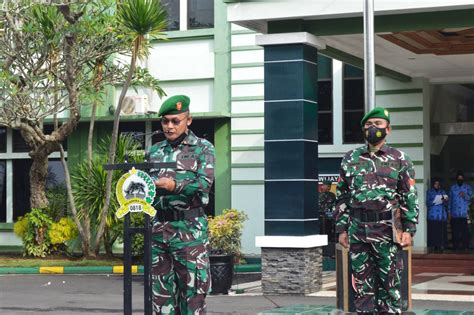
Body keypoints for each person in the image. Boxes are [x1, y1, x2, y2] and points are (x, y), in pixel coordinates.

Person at [335, 107, 419, 314]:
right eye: (368, 124)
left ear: (388, 129)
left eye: (378, 124)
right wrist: (342, 229)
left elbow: (408, 195)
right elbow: (342, 196)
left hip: (388, 231)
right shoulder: (350, 158)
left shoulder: (400, 159)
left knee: (390, 285)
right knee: (362, 288)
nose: (373, 128)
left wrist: (409, 229)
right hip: (358, 230)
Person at [148, 95, 215, 314]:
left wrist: (174, 185)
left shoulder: (203, 149)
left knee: (192, 297)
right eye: (165, 121)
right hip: (159, 232)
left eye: (175, 121)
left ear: (189, 120)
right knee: (161, 299)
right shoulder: (155, 151)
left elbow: (203, 184)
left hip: (189, 234)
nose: (169, 126)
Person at [449, 171, 472, 251]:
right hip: (455, 214)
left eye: (461, 178)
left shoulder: (468, 187)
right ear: (456, 179)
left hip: (465, 214)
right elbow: (450, 201)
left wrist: (465, 195)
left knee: (465, 232)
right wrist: (449, 213)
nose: (460, 180)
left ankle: (465, 246)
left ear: (463, 179)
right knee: (455, 232)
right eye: (458, 178)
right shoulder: (452, 188)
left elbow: (471, 199)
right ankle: (456, 247)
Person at [426, 178, 449, 252]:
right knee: (433, 231)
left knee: (441, 231)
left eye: (438, 184)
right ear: (433, 184)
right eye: (436, 183)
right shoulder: (429, 192)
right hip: (433, 215)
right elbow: (428, 203)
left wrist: (445, 201)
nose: (437, 185)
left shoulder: (443, 192)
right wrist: (435, 201)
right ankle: (433, 246)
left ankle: (442, 245)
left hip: (442, 216)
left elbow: (446, 203)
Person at [319, 180, 336, 247]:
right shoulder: (318, 194)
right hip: (320, 218)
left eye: (330, 186)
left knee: (329, 233)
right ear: (322, 186)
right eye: (327, 185)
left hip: (329, 218)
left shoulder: (332, 195)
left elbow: (334, 205)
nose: (329, 187)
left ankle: (328, 246)